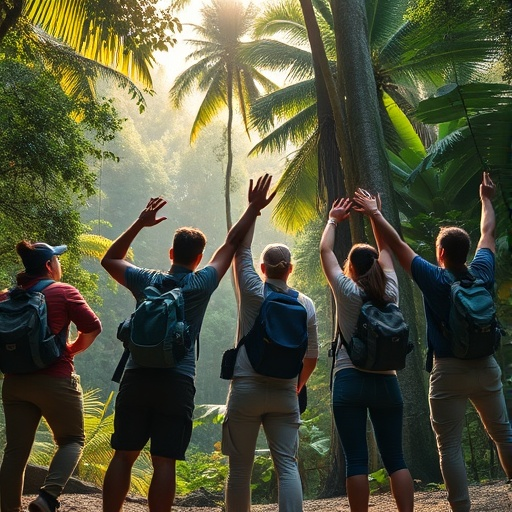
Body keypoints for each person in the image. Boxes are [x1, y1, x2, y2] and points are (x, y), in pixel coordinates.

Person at [100, 174, 275, 512]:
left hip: (136, 375)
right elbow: (232, 242)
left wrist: (139, 222)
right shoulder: (202, 282)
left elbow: (110, 259)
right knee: (165, 462)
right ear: (198, 258)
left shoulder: (146, 279)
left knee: (124, 454)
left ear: (170, 253)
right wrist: (253, 208)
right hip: (177, 379)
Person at [353, 172, 512, 512]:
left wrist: (374, 213)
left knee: (449, 446)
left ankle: (461, 508)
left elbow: (397, 246)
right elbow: (488, 231)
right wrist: (486, 199)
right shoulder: (482, 270)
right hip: (486, 365)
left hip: (448, 371)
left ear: (441, 253)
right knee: (503, 434)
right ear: (465, 251)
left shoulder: (435, 278)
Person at [319, 196, 414, 512]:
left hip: (349, 380)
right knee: (395, 458)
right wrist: (376, 214)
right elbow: (386, 249)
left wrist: (333, 219)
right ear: (376, 264)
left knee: (356, 459)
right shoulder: (390, 288)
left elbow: (325, 251)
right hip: (387, 382)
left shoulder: (347, 291)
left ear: (351, 267)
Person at [222, 211, 319, 512]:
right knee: (287, 468)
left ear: (262, 269)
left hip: (246, 389)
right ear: (290, 270)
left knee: (239, 470)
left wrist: (253, 208)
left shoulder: (252, 291)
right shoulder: (306, 304)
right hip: (285, 392)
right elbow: (311, 357)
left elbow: (241, 249)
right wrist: (296, 386)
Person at [0, 241, 102, 512]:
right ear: (48, 265)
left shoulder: (5, 297)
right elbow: (92, 328)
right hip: (55, 379)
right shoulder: (63, 291)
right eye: (57, 259)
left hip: (14, 383)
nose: (60, 263)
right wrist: (70, 350)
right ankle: (47, 498)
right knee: (72, 440)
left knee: (16, 451)